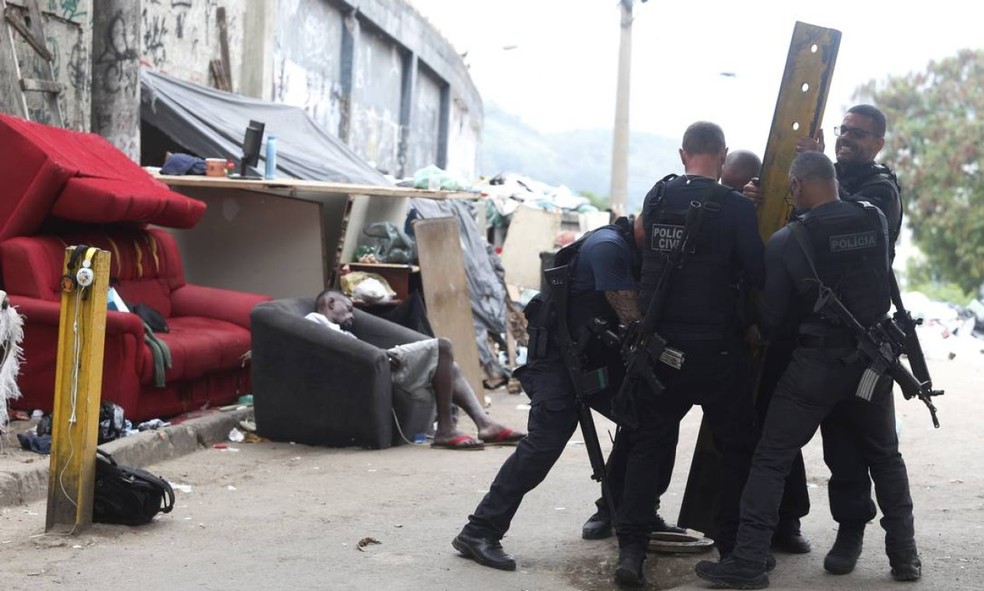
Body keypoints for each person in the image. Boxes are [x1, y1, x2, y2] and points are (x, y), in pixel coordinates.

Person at [695, 151, 920, 589]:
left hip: (815, 364)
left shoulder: (788, 240)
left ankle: (748, 561)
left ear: (796, 186)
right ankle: (904, 557)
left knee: (771, 456)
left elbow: (774, 321)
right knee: (885, 456)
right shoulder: (873, 218)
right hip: (872, 361)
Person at [451, 215, 645, 580]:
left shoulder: (631, 245)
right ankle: (479, 531)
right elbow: (633, 317)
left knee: (640, 418)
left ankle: (614, 507)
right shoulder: (609, 247)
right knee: (545, 441)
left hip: (588, 358)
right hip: (556, 359)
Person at [613, 121, 765, 586]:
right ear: (722, 156)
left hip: (662, 349)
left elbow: (645, 254)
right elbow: (757, 273)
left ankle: (631, 552)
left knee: (647, 445)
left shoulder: (657, 198)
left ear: (683, 155)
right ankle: (736, 548)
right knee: (737, 448)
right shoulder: (737, 208)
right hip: (718, 351)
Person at [793, 104, 905, 573]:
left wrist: (817, 182)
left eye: (857, 134)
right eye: (843, 130)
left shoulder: (880, 191)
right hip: (827, 337)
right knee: (840, 445)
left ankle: (903, 547)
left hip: (868, 337)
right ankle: (851, 528)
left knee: (880, 448)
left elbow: (841, 220)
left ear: (877, 143)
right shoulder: (832, 179)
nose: (846, 138)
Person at [309, 289, 525, 450]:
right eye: (347, 308)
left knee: (450, 365)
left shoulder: (337, 329)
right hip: (369, 373)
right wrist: (378, 353)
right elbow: (339, 350)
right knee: (443, 346)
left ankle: (485, 424)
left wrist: (378, 353)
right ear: (330, 303)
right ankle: (446, 430)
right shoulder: (314, 322)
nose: (352, 314)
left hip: (377, 365)